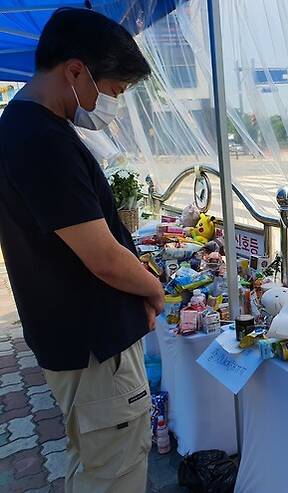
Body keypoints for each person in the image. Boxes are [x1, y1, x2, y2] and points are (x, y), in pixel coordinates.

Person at [0, 8, 164, 493]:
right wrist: (153, 290)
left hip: (71, 338)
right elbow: (104, 258)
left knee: (91, 462)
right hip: (97, 350)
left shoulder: (22, 127)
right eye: (111, 92)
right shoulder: (41, 139)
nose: (110, 106)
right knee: (114, 468)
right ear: (75, 71)